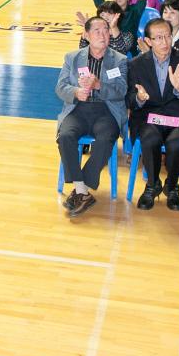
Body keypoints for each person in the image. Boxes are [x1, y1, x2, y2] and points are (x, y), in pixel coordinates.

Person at [55, 16, 128, 217]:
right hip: (78, 109)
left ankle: (82, 188)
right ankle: (82, 189)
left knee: (105, 140)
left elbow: (121, 91)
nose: (102, 34)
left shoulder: (119, 60)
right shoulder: (72, 57)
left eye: (105, 30)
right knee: (66, 136)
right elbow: (60, 88)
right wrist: (76, 92)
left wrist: (98, 86)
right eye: (97, 30)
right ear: (86, 35)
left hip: (107, 111)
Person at [126, 18, 179, 211]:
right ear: (148, 41)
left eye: (168, 36)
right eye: (158, 38)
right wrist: (140, 98)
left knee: (176, 143)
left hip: (178, 118)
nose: (165, 42)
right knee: (149, 139)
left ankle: (172, 184)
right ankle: (152, 184)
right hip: (149, 117)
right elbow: (129, 100)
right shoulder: (136, 64)